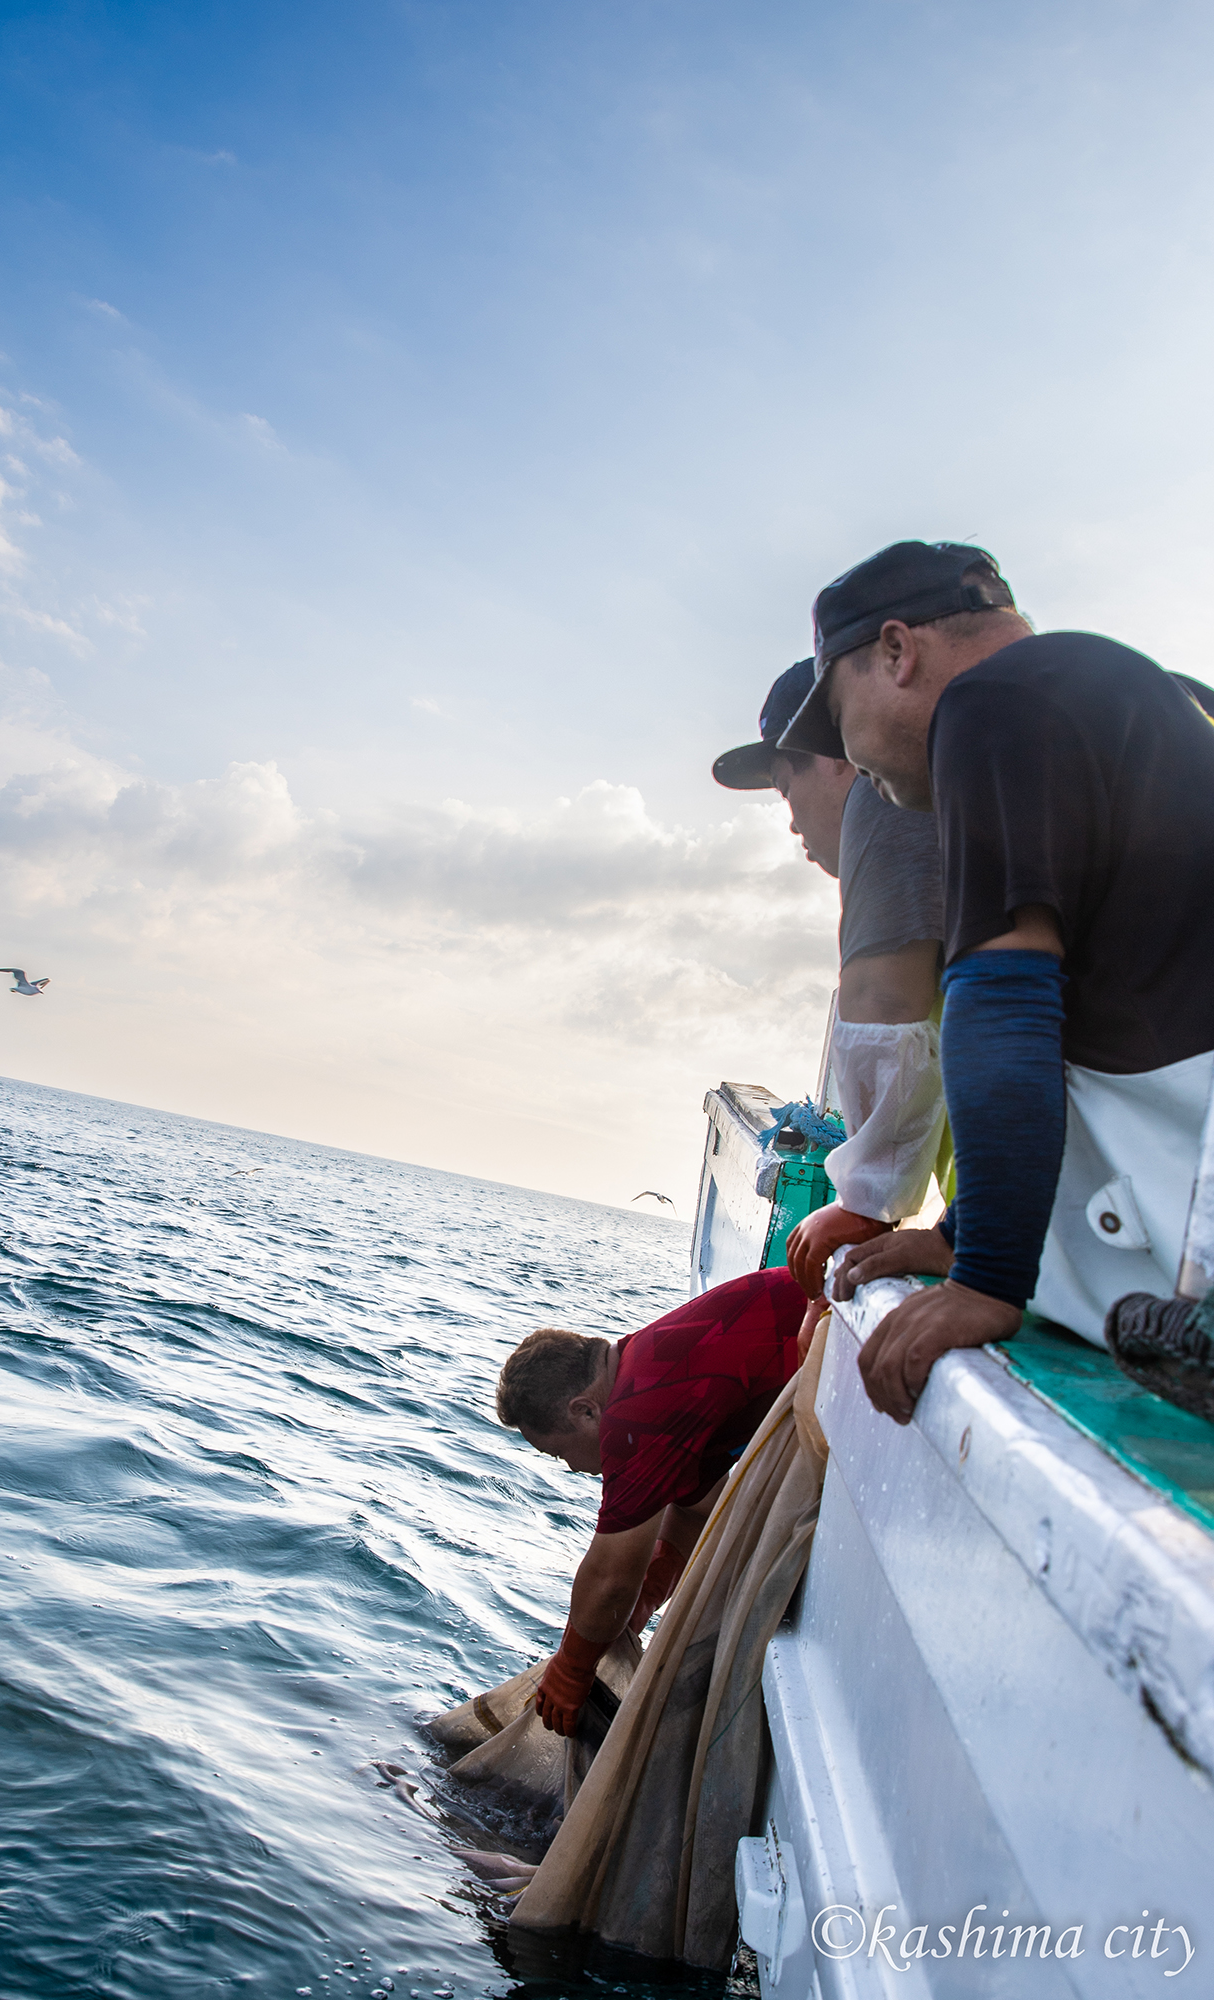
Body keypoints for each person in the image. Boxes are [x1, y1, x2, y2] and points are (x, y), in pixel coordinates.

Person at [779, 540, 1214, 1422]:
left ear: (898, 652)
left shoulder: (988, 704)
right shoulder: (1134, 694)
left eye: (839, 714)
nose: (852, 760)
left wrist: (987, 1277)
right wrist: (955, 1236)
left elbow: (1008, 1001)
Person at [712, 662, 949, 1301]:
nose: (791, 823)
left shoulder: (891, 800)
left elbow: (884, 1003)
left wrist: (867, 1203)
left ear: (844, 756)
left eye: (788, 789)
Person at [494, 1266, 806, 1736]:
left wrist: (571, 1670)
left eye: (559, 1452)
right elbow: (693, 1505)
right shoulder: (644, 1360)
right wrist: (650, 1595)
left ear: (584, 1409)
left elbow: (610, 1578)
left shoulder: (634, 1417)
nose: (571, 1468)